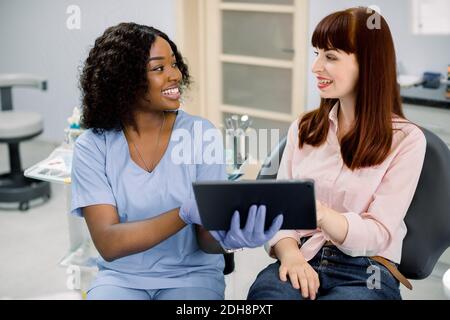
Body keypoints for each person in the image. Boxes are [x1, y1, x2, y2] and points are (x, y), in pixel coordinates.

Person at [71, 23, 282, 300]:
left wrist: (228, 238)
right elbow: (109, 243)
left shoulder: (200, 134)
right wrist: (182, 214)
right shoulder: (93, 146)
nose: (175, 75)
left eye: (174, 64)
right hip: (121, 279)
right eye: (159, 69)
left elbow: (206, 240)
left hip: (191, 276)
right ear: (123, 80)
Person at [247, 7, 426, 300]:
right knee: (267, 296)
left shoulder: (406, 140)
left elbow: (378, 233)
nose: (316, 67)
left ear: (369, 64)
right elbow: (280, 213)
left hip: (367, 268)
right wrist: (290, 255)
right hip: (302, 255)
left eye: (330, 56)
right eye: (317, 53)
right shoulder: (304, 128)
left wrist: (321, 214)